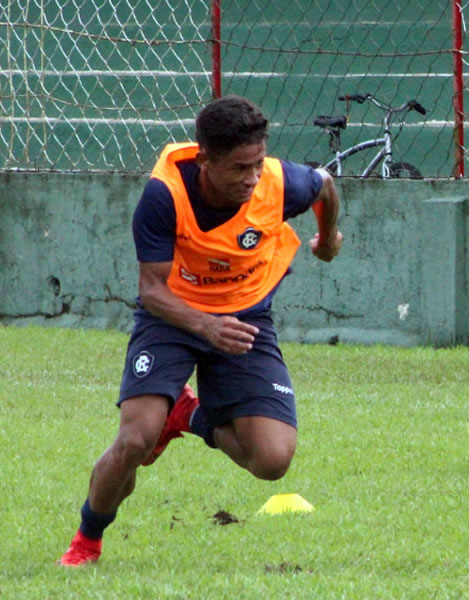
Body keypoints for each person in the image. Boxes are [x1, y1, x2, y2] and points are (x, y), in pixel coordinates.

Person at [58, 95, 343, 566]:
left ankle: (188, 416)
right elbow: (151, 290)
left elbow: (325, 185)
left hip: (245, 318)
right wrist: (207, 328)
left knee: (272, 461)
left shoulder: (279, 182)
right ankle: (87, 539)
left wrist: (328, 239)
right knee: (135, 440)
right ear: (204, 158)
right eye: (239, 168)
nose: (252, 179)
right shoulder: (164, 194)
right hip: (171, 317)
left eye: (257, 163)